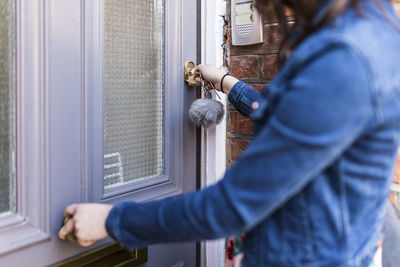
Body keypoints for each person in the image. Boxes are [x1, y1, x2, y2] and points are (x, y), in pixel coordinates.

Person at [59, 0, 400, 266]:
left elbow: (231, 206)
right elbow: (296, 126)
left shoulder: (344, 57)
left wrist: (114, 219)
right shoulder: (370, 32)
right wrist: (226, 82)